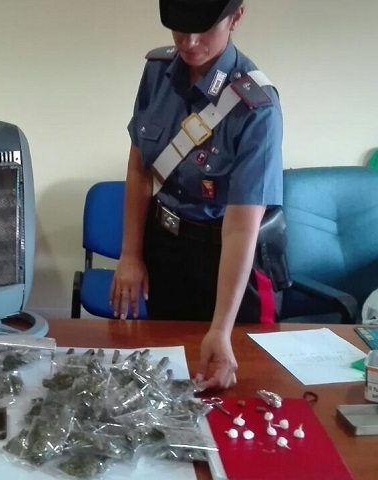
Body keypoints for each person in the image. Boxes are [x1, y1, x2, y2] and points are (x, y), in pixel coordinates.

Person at [110, 0, 285, 390]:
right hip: (165, 248)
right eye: (179, 28)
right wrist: (130, 254)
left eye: (203, 29)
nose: (188, 42)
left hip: (224, 258)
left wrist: (220, 329)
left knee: (229, 381)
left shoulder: (257, 107)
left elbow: (240, 227)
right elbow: (140, 167)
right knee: (166, 373)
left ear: (236, 17)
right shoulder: (157, 72)